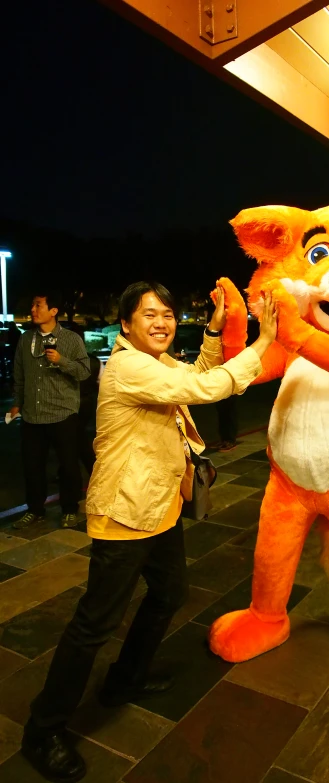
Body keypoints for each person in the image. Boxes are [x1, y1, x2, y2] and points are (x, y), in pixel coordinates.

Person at [21, 279, 277, 783]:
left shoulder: (155, 363)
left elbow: (198, 373)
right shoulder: (128, 366)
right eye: (148, 314)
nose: (161, 322)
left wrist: (212, 330)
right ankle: (43, 729)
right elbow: (206, 389)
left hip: (157, 504)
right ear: (125, 324)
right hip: (125, 511)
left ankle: (124, 681)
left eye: (167, 313)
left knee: (169, 592)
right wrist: (264, 343)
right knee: (94, 623)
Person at [10, 293, 91, 530]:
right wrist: (17, 403)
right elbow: (19, 374)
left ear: (53, 311)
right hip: (32, 416)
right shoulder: (26, 339)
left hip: (62, 413)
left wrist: (61, 361)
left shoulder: (71, 339)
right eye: (33, 305)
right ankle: (35, 509)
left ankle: (69, 509)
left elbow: (84, 371)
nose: (33, 310)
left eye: (38, 305)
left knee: (68, 465)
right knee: (32, 465)